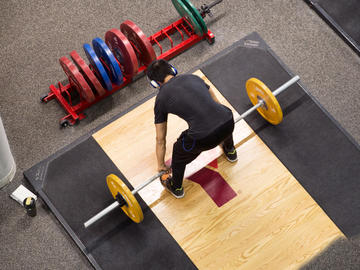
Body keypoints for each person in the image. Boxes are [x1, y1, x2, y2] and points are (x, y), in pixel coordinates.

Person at [146, 59, 237, 199]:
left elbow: (160, 139)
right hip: (229, 122)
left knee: (178, 149)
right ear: (173, 69)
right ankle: (230, 150)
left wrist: (161, 166)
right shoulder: (193, 77)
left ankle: (176, 187)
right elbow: (216, 104)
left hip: (204, 139)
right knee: (220, 116)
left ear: (155, 83)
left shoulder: (160, 99)